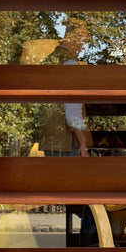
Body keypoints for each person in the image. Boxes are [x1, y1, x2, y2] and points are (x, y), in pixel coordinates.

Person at [51, 20, 92, 157]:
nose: (83, 44)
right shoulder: (70, 62)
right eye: (83, 39)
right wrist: (83, 141)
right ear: (75, 38)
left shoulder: (50, 60)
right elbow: (72, 109)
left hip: (51, 138)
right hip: (68, 142)